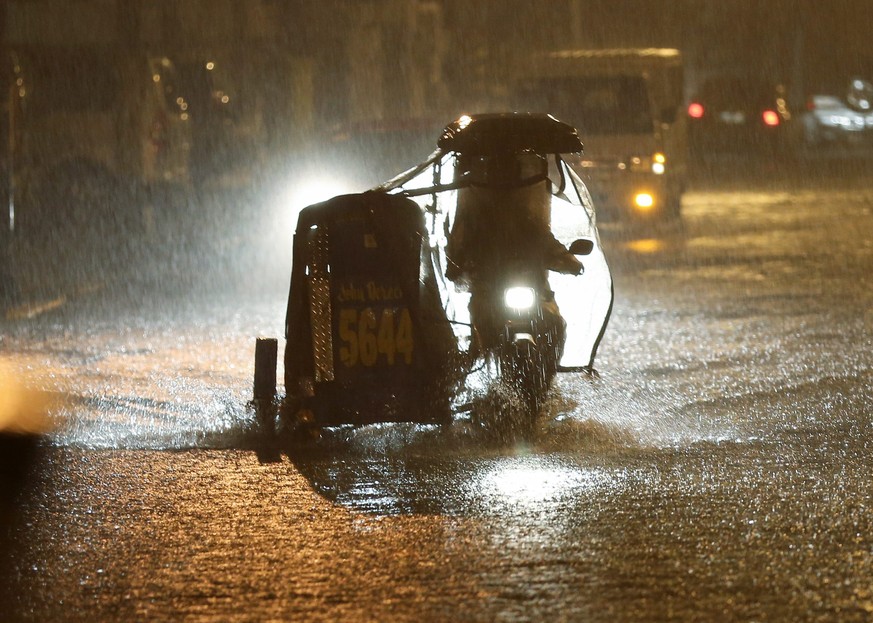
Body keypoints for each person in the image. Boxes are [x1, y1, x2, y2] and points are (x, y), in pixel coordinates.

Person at [444, 150, 583, 352]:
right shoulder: (478, 225)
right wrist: (456, 265)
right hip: (488, 294)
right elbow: (461, 250)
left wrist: (571, 262)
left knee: (556, 324)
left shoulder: (529, 224)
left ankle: (549, 367)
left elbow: (549, 246)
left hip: (534, 292)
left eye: (508, 173)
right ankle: (476, 361)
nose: (503, 180)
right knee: (481, 329)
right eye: (498, 173)